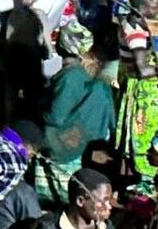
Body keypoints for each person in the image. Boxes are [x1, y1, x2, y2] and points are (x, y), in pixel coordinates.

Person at [39, 23, 114, 204]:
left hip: (60, 149)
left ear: (58, 44)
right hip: (76, 146)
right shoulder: (79, 75)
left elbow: (56, 116)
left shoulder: (69, 78)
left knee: (56, 201)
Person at [115, 0, 158, 179]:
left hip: (131, 83)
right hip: (143, 92)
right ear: (142, 7)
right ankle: (146, 175)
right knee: (146, 135)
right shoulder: (135, 33)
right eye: (153, 7)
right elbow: (143, 70)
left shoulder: (129, 20)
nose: (157, 10)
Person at [41, 169, 112, 229]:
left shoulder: (105, 226)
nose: (109, 206)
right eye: (104, 201)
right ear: (80, 201)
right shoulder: (48, 226)